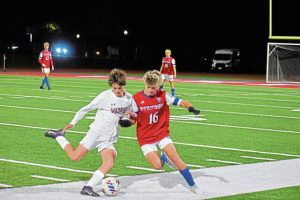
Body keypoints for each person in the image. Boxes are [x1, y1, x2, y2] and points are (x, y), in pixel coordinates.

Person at [45, 69, 135, 197]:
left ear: (123, 85)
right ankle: (59, 136)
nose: (116, 90)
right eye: (114, 88)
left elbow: (131, 116)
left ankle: (88, 187)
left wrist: (130, 121)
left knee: (109, 163)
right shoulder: (105, 96)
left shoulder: (129, 99)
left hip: (110, 137)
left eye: (119, 88)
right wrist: (73, 123)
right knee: (75, 157)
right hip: (97, 133)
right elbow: (85, 108)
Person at [131, 70, 201, 194]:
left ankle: (193, 186)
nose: (151, 90)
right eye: (149, 87)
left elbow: (180, 101)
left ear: (158, 85)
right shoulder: (136, 99)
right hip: (145, 138)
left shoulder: (164, 95)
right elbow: (133, 119)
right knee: (157, 166)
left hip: (161, 134)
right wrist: (127, 122)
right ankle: (164, 158)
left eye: (154, 87)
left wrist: (190, 107)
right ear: (144, 83)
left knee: (177, 159)